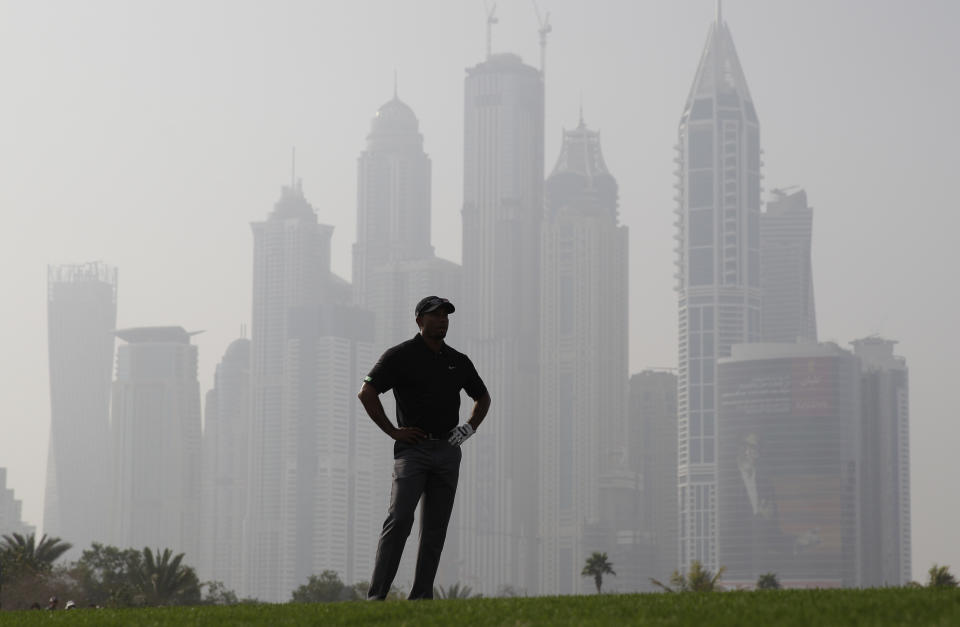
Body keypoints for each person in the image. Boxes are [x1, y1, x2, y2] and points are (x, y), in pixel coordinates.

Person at [359, 295, 490, 600]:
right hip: (412, 451)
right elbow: (367, 392)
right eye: (435, 315)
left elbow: (482, 398)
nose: (442, 319)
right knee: (400, 518)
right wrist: (393, 430)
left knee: (435, 529)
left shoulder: (458, 360)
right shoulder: (400, 356)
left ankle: (420, 598)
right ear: (419, 321)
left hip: (447, 451)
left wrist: (468, 429)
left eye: (446, 315)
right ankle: (377, 596)